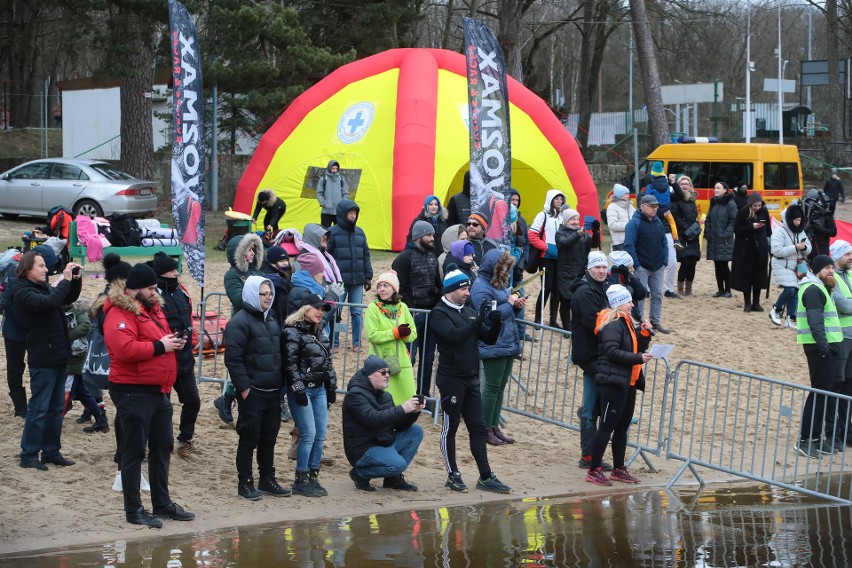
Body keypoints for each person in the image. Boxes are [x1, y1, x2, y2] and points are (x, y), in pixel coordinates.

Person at [104, 262, 194, 527]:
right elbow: (125, 350)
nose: (156, 292)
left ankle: (162, 504)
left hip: (158, 389)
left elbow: (159, 341)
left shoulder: (151, 309)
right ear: (136, 289)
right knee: (133, 452)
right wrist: (161, 346)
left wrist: (174, 342)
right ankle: (134, 510)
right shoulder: (119, 312)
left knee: (163, 446)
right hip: (133, 389)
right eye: (151, 288)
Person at [431, 268, 510, 494]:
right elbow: (453, 337)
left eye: (468, 288)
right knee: (451, 427)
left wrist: (495, 322)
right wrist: (477, 322)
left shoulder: (469, 311)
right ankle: (452, 474)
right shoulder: (439, 312)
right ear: (452, 290)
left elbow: (489, 338)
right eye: (464, 289)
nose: (468, 293)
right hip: (450, 379)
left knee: (477, 428)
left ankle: (485, 476)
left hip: (471, 378)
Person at [224, 276, 291, 501]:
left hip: (273, 391)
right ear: (253, 294)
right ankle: (245, 482)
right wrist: (244, 389)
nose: (268, 297)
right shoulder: (239, 322)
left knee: (269, 437)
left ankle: (267, 478)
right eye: (263, 294)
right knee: (248, 439)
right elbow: (233, 360)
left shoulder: (271, 318)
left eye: (270, 293)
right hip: (253, 391)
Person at [15, 252, 82, 470]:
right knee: (39, 408)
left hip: (58, 356)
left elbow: (67, 298)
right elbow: (50, 302)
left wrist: (75, 280)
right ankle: (29, 455)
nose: (46, 269)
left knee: (55, 409)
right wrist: (64, 279)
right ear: (27, 269)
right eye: (41, 266)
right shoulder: (22, 292)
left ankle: (51, 451)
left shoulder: (41, 288)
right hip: (42, 359)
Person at [585, 284, 653, 486]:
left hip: (627, 382)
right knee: (606, 427)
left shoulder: (626, 322)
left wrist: (644, 336)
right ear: (619, 304)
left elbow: (633, 348)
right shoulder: (613, 323)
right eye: (629, 301)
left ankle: (618, 468)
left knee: (622, 427)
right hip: (613, 382)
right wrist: (639, 358)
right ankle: (594, 469)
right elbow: (612, 352)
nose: (633, 304)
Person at [342, 355, 425, 492]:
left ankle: (393, 479)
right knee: (398, 464)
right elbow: (372, 419)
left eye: (388, 372)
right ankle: (360, 474)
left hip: (383, 441)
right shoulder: (355, 395)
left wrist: (413, 413)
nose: (387, 376)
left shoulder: (385, 395)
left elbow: (397, 425)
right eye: (383, 372)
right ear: (369, 376)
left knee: (415, 431)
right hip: (362, 449)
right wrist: (402, 409)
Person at [283, 294, 337, 497]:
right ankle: (301, 479)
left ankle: (313, 477)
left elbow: (327, 362)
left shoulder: (319, 330)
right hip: (303, 389)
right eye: (316, 308)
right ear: (303, 309)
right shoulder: (292, 332)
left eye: (322, 309)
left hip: (319, 389)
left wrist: (331, 386)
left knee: (320, 434)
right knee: (308, 434)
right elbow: (290, 364)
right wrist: (298, 389)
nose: (320, 312)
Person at [470, 250, 524, 446]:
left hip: (506, 340)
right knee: (492, 388)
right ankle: (485, 428)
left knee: (499, 387)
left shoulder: (495, 285)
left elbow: (503, 310)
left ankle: (493, 426)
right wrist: (510, 304)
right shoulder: (480, 287)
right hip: (493, 342)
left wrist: (515, 305)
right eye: (504, 268)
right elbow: (487, 316)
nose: (507, 273)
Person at [795, 255, 844, 459]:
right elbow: (815, 322)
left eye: (832, 267)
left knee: (824, 393)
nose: (831, 271)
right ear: (816, 270)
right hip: (820, 349)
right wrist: (824, 348)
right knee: (818, 393)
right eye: (826, 268)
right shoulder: (813, 289)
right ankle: (806, 439)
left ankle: (815, 438)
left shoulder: (821, 288)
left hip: (827, 347)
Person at [152, 252, 201, 458]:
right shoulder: (153, 295)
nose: (176, 273)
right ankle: (157, 443)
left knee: (193, 400)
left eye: (176, 269)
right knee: (161, 407)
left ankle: (185, 440)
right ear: (162, 273)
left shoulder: (182, 291)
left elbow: (188, 317)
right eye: (172, 270)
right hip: (162, 359)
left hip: (184, 359)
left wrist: (192, 337)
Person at [2, 244, 59, 419]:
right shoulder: (16, 275)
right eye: (44, 265)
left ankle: (39, 402)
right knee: (15, 367)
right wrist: (27, 323)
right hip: (14, 330)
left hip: (32, 330)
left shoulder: (40, 275)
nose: (47, 270)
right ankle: (20, 407)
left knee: (37, 364)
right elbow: (6, 304)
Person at [215, 232, 265, 426]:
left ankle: (227, 398)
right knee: (243, 367)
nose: (252, 253)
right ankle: (227, 398)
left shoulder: (258, 273)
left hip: (259, 322)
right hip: (241, 325)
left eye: (254, 249)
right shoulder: (232, 274)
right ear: (238, 252)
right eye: (248, 249)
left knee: (254, 367)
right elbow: (238, 299)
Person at [570, 251, 613, 471]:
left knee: (595, 405)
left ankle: (591, 453)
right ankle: (587, 455)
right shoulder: (584, 293)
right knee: (590, 407)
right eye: (597, 268)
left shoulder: (605, 287)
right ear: (588, 269)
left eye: (604, 268)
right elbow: (594, 324)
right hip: (589, 355)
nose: (601, 271)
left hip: (600, 354)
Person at [392, 221, 442, 404]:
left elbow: (438, 284)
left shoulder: (432, 256)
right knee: (408, 357)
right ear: (418, 236)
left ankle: (423, 394)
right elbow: (400, 288)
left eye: (432, 235)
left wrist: (436, 307)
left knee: (428, 357)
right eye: (429, 235)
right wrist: (411, 309)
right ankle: (403, 392)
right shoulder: (404, 258)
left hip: (430, 314)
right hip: (412, 314)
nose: (432, 238)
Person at [364, 271, 418, 405]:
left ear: (394, 289)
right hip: (379, 360)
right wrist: (395, 333)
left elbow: (413, 334)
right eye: (379, 286)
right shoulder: (373, 308)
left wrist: (405, 334)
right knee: (383, 403)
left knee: (406, 401)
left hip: (401, 362)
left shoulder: (403, 307)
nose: (381, 289)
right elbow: (372, 335)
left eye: (386, 286)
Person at [326, 199, 373, 352]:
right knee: (337, 311)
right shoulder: (332, 233)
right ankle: (335, 342)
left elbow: (365, 255)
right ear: (342, 214)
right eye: (350, 213)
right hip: (339, 282)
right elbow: (327, 257)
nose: (353, 216)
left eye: (355, 213)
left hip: (358, 280)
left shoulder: (360, 232)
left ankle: (357, 343)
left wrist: (368, 276)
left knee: (357, 313)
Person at [624, 195, 671, 334]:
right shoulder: (634, 223)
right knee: (640, 296)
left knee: (657, 295)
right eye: (651, 206)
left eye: (656, 206)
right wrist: (636, 265)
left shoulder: (658, 222)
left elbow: (664, 242)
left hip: (658, 266)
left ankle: (655, 322)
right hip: (642, 267)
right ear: (643, 206)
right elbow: (629, 245)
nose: (655, 209)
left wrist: (664, 260)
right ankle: (639, 323)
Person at [528, 189, 566, 326]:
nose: (559, 201)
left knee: (557, 289)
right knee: (547, 287)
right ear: (550, 200)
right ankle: (538, 318)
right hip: (545, 257)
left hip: (560, 258)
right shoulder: (542, 215)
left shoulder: (563, 216)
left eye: (561, 199)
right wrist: (546, 247)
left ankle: (552, 320)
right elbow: (532, 235)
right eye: (557, 199)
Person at [769, 204, 811, 328]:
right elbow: (776, 251)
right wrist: (795, 248)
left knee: (796, 291)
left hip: (796, 265)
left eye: (800, 220)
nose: (798, 223)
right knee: (790, 289)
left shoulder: (801, 231)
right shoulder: (779, 232)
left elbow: (809, 248)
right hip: (782, 264)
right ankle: (776, 310)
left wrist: (805, 247)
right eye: (796, 220)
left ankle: (790, 319)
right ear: (789, 219)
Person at [555, 207, 598, 328]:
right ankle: (566, 326)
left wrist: (596, 231)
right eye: (572, 219)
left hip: (580, 272)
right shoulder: (560, 233)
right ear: (566, 221)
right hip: (565, 272)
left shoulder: (583, 233)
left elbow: (594, 244)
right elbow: (564, 244)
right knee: (566, 300)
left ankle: (576, 324)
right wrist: (579, 233)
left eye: (577, 219)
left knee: (579, 299)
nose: (575, 222)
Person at [827, 240, 852, 447]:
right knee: (837, 384)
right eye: (847, 254)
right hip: (842, 337)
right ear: (837, 256)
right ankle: (832, 433)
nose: (851, 257)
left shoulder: (850, 274)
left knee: (849, 387)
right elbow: (843, 305)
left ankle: (845, 432)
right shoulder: (832, 276)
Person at [730, 192, 772, 312]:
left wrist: (768, 245)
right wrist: (751, 227)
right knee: (746, 277)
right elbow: (737, 230)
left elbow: (768, 230)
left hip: (761, 250)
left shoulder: (764, 211)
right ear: (750, 204)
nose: (757, 208)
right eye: (755, 206)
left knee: (759, 277)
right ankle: (747, 303)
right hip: (745, 250)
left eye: (759, 206)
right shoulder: (743, 212)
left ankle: (756, 303)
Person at [669, 176, 701, 297]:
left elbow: (694, 216)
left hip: (693, 234)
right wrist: (685, 227)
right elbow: (675, 216)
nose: (684, 185)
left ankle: (689, 289)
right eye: (682, 183)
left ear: (690, 185)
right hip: (682, 234)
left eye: (686, 183)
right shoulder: (676, 198)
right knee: (685, 261)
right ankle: (680, 288)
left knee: (693, 261)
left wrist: (695, 227)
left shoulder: (692, 199)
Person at [704, 182, 737, 298]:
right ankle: (720, 289)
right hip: (713, 239)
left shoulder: (730, 204)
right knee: (717, 264)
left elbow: (733, 221)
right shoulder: (713, 203)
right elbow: (708, 219)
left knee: (723, 265)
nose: (715, 190)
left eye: (718, 188)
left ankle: (728, 289)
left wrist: (726, 234)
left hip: (724, 239)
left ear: (725, 190)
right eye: (715, 188)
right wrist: (707, 233)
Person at [606, 250, 646, 322]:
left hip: (633, 315)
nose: (633, 269)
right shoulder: (609, 278)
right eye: (630, 267)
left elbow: (641, 294)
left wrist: (629, 277)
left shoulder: (630, 278)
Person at [802, 189, 837, 260]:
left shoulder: (826, 213)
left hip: (822, 247)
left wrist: (819, 228)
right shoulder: (803, 212)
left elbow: (833, 232)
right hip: (807, 247)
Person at [316, 160, 349, 227]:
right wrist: (324, 203)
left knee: (339, 231)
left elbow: (345, 193)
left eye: (336, 168)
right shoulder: (323, 179)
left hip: (339, 212)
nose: (334, 170)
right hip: (326, 212)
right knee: (325, 232)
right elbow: (319, 193)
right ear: (329, 168)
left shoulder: (341, 179)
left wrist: (342, 204)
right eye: (333, 168)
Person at [606, 183, 635, 252]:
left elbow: (636, 220)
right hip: (619, 243)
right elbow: (612, 225)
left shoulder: (631, 207)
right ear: (620, 195)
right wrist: (629, 225)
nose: (628, 196)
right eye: (626, 194)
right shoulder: (612, 207)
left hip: (632, 241)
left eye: (628, 194)